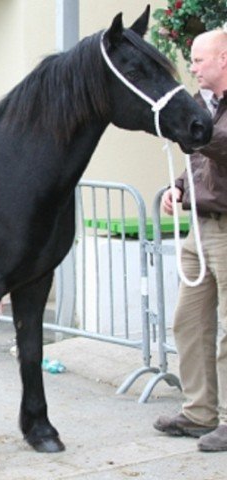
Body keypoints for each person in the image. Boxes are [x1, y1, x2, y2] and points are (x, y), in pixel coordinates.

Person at [154, 29, 227, 452]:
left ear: (223, 59)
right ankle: (200, 412)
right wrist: (178, 187)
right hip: (200, 227)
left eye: (200, 60)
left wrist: (193, 131)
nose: (193, 67)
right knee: (189, 320)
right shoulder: (203, 106)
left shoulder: (203, 115)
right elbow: (197, 158)